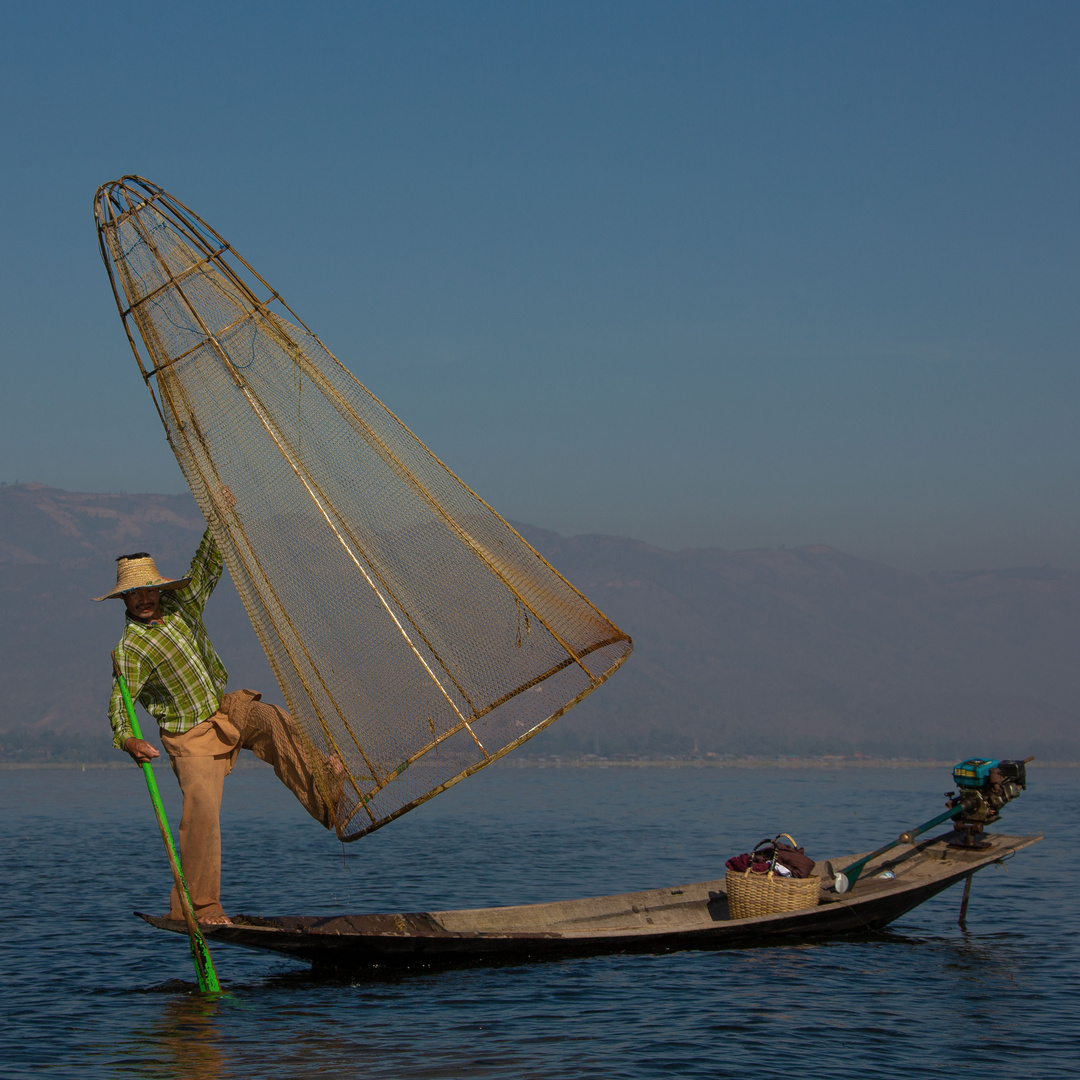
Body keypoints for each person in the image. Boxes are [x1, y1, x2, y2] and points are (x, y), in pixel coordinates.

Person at [97, 491, 341, 926]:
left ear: (157, 588)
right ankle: (201, 909)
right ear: (125, 601)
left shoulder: (181, 606)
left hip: (221, 708)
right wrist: (128, 739)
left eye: (148, 590)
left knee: (273, 719)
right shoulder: (130, 648)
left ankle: (328, 796)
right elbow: (121, 703)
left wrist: (221, 517)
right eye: (134, 595)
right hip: (188, 735)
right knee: (202, 815)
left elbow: (207, 567)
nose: (144, 599)